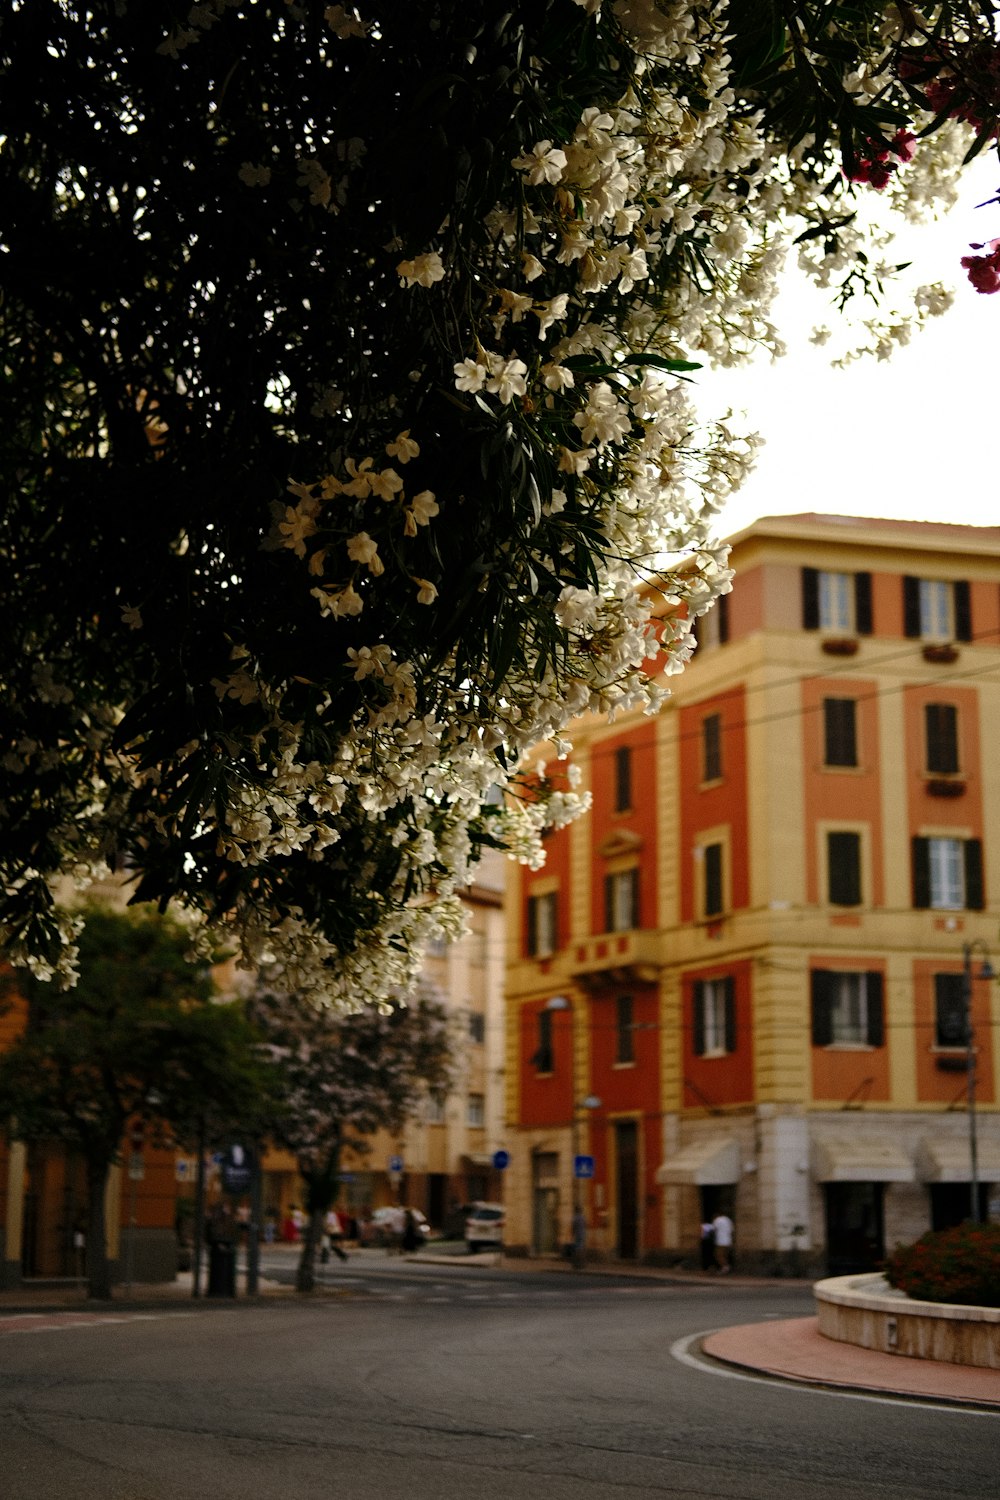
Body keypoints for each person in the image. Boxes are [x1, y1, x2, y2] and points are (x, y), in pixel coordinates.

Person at [571, 1203, 587, 1271]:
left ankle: (577, 1264)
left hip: (577, 1235)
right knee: (581, 1248)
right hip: (582, 1234)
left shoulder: (575, 1218)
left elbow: (573, 1227)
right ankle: (582, 1264)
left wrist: (573, 1234)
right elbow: (585, 1225)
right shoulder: (583, 1217)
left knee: (577, 1249)